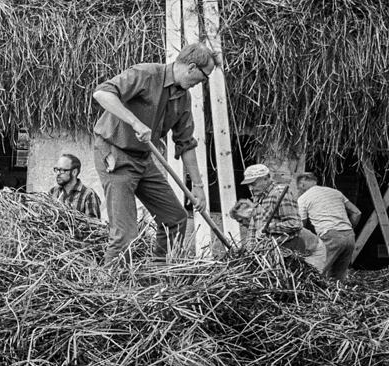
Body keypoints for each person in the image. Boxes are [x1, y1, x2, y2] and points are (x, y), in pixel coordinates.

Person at [91, 42, 218, 264]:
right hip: (115, 154)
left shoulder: (182, 98)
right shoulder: (147, 74)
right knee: (126, 236)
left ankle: (157, 277)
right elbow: (102, 93)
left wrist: (197, 186)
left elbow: (186, 142)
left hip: (143, 159)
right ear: (191, 67)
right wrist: (134, 122)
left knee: (175, 219)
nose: (201, 83)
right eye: (204, 77)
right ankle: (107, 287)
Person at [240, 164, 327, 269]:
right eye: (248, 185)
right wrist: (250, 251)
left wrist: (268, 228)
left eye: (253, 184)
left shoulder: (279, 193)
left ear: (266, 179)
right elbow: (253, 229)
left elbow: (295, 223)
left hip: (300, 250)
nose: (250, 188)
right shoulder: (257, 198)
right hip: (275, 253)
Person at [296, 171, 362, 281]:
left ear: (302, 184)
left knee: (315, 273)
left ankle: (315, 297)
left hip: (330, 236)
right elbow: (357, 213)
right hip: (349, 236)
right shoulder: (335, 192)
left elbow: (301, 226)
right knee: (337, 279)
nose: (299, 190)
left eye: (298, 188)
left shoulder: (303, 198)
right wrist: (345, 231)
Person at [48, 153, 102, 219]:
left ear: (74, 172)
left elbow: (93, 225)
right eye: (56, 169)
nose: (58, 173)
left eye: (62, 170)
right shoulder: (53, 192)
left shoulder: (88, 194)